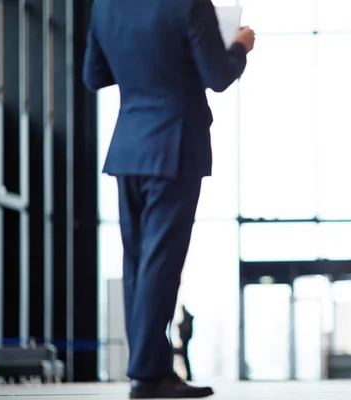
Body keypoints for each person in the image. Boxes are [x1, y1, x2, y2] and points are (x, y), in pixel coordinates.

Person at [82, 0, 255, 397]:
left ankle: (152, 367)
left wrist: (141, 64)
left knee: (138, 263)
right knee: (161, 263)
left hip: (128, 148)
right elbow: (217, 74)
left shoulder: (106, 7)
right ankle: (147, 374)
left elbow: (94, 75)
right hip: (174, 145)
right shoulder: (188, 3)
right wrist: (240, 45)